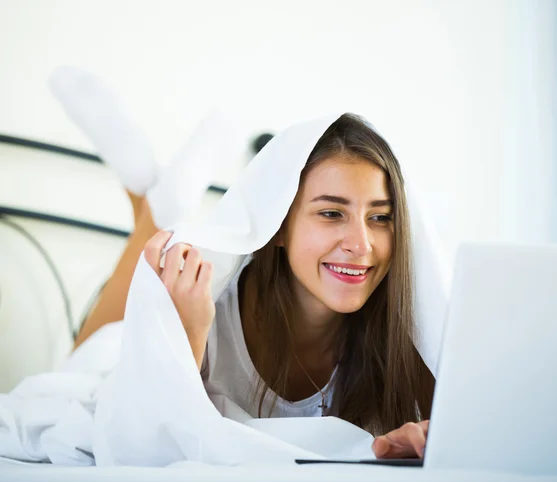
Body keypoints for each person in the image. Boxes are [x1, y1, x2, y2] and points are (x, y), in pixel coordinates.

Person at [50, 68, 439, 461]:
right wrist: (188, 335)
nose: (361, 245)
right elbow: (141, 440)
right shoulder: (207, 303)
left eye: (380, 218)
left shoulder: (410, 332)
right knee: (91, 363)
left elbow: (467, 431)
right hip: (122, 362)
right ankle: (151, 208)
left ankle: (153, 204)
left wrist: (432, 433)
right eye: (332, 214)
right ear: (279, 226)